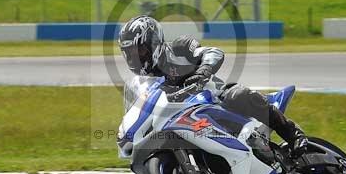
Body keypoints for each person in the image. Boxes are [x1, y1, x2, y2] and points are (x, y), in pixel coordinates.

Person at [118, 15, 309, 160]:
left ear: (153, 43)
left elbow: (213, 52)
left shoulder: (179, 48)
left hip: (213, 99)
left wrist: (202, 72)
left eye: (139, 50)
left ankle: (292, 133)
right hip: (181, 121)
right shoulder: (138, 84)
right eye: (129, 54)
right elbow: (136, 112)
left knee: (236, 94)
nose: (135, 58)